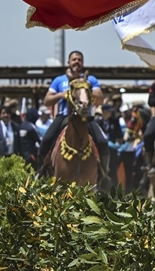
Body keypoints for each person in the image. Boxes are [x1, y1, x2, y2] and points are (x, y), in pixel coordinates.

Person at [37, 51, 110, 187]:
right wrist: (61, 95)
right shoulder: (59, 80)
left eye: (79, 60)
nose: (77, 62)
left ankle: (104, 175)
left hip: (87, 117)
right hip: (64, 116)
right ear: (68, 62)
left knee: (102, 141)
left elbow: (100, 99)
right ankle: (40, 171)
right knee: (46, 139)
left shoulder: (91, 80)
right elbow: (47, 101)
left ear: (83, 63)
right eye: (74, 59)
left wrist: (84, 89)